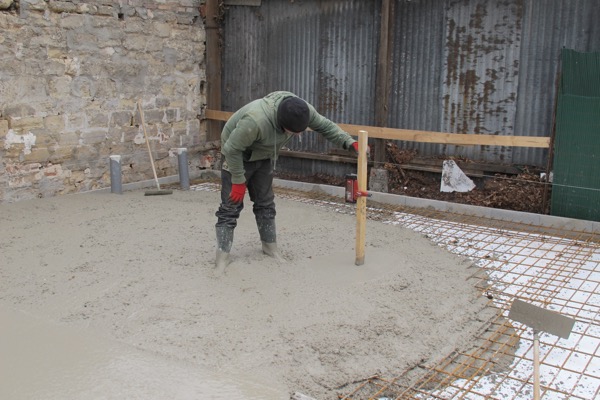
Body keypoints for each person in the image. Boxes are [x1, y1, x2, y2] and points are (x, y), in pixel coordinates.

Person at [214, 90, 366, 273]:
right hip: (238, 155)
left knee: (265, 203)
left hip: (264, 155)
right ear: (282, 124)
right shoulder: (255, 121)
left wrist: (349, 142)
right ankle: (222, 256)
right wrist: (238, 180)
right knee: (231, 206)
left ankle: (270, 247)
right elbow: (231, 149)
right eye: (293, 133)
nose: (296, 135)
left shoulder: (301, 110)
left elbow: (324, 125)